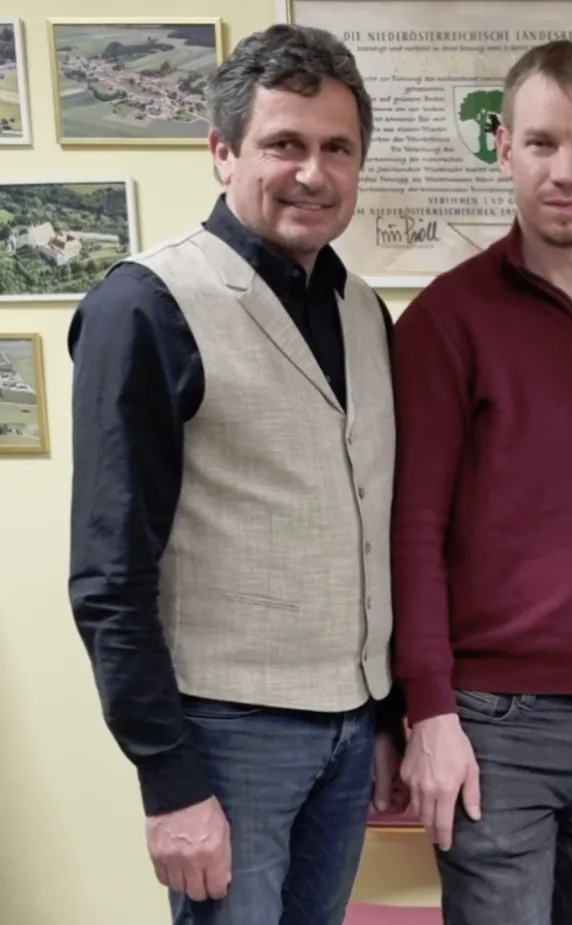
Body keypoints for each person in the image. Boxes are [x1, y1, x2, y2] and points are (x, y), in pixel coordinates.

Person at [66, 23, 405, 925]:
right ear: (222, 151)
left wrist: (382, 715)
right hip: (222, 736)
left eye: (338, 148)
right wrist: (168, 781)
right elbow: (107, 575)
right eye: (284, 144)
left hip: (346, 726)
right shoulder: (146, 305)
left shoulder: (365, 310)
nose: (314, 173)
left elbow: (366, 515)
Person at [389, 39, 572, 925]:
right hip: (493, 724)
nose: (565, 169)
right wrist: (429, 712)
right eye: (544, 142)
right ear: (504, 147)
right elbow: (413, 529)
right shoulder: (446, 317)